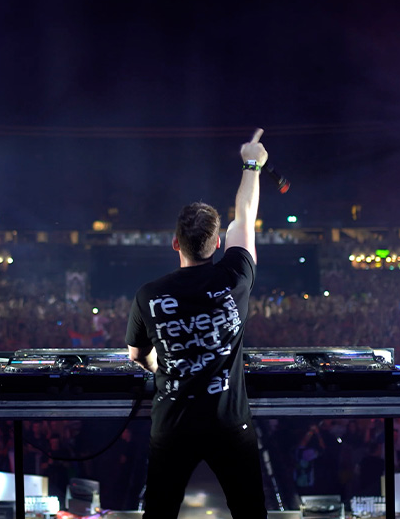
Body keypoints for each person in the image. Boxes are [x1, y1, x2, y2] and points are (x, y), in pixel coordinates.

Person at [125, 129, 270, 519]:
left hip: (173, 423)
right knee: (251, 514)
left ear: (175, 243)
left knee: (159, 515)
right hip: (229, 423)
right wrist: (251, 163)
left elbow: (137, 355)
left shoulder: (148, 295)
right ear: (218, 243)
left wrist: (162, 365)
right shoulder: (236, 277)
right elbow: (245, 215)